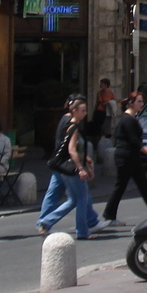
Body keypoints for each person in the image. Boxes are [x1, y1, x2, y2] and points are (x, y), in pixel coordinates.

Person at [37, 96, 106, 237]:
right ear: (74, 111)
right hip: (71, 168)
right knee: (82, 199)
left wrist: (85, 159)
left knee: (73, 200)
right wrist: (81, 168)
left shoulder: (69, 125)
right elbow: (72, 150)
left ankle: (47, 221)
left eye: (86, 110)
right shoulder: (73, 127)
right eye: (83, 110)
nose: (85, 113)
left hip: (65, 167)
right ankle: (82, 231)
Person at [102, 92, 147, 225]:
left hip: (131, 157)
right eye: (139, 101)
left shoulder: (132, 118)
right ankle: (109, 216)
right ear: (131, 103)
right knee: (122, 186)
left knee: (143, 185)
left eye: (142, 101)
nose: (142, 104)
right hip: (126, 157)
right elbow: (134, 140)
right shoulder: (127, 119)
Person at [91, 78, 116, 142]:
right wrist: (94, 112)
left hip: (107, 112)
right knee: (98, 127)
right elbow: (97, 103)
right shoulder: (99, 93)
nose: (100, 85)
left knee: (106, 127)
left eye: (102, 84)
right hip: (99, 111)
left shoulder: (110, 92)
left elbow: (114, 101)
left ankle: (106, 140)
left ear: (106, 85)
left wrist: (108, 103)